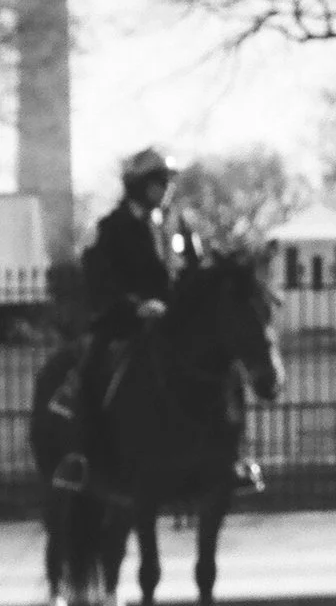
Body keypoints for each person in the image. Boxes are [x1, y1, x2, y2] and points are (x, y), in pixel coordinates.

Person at [52, 150, 261, 497]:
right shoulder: (112, 228)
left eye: (168, 182)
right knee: (94, 370)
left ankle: (233, 458)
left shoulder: (179, 226)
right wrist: (136, 306)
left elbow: (195, 275)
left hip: (176, 324)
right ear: (138, 186)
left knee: (228, 372)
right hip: (126, 323)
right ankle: (81, 458)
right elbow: (101, 280)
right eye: (157, 182)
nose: (165, 189)